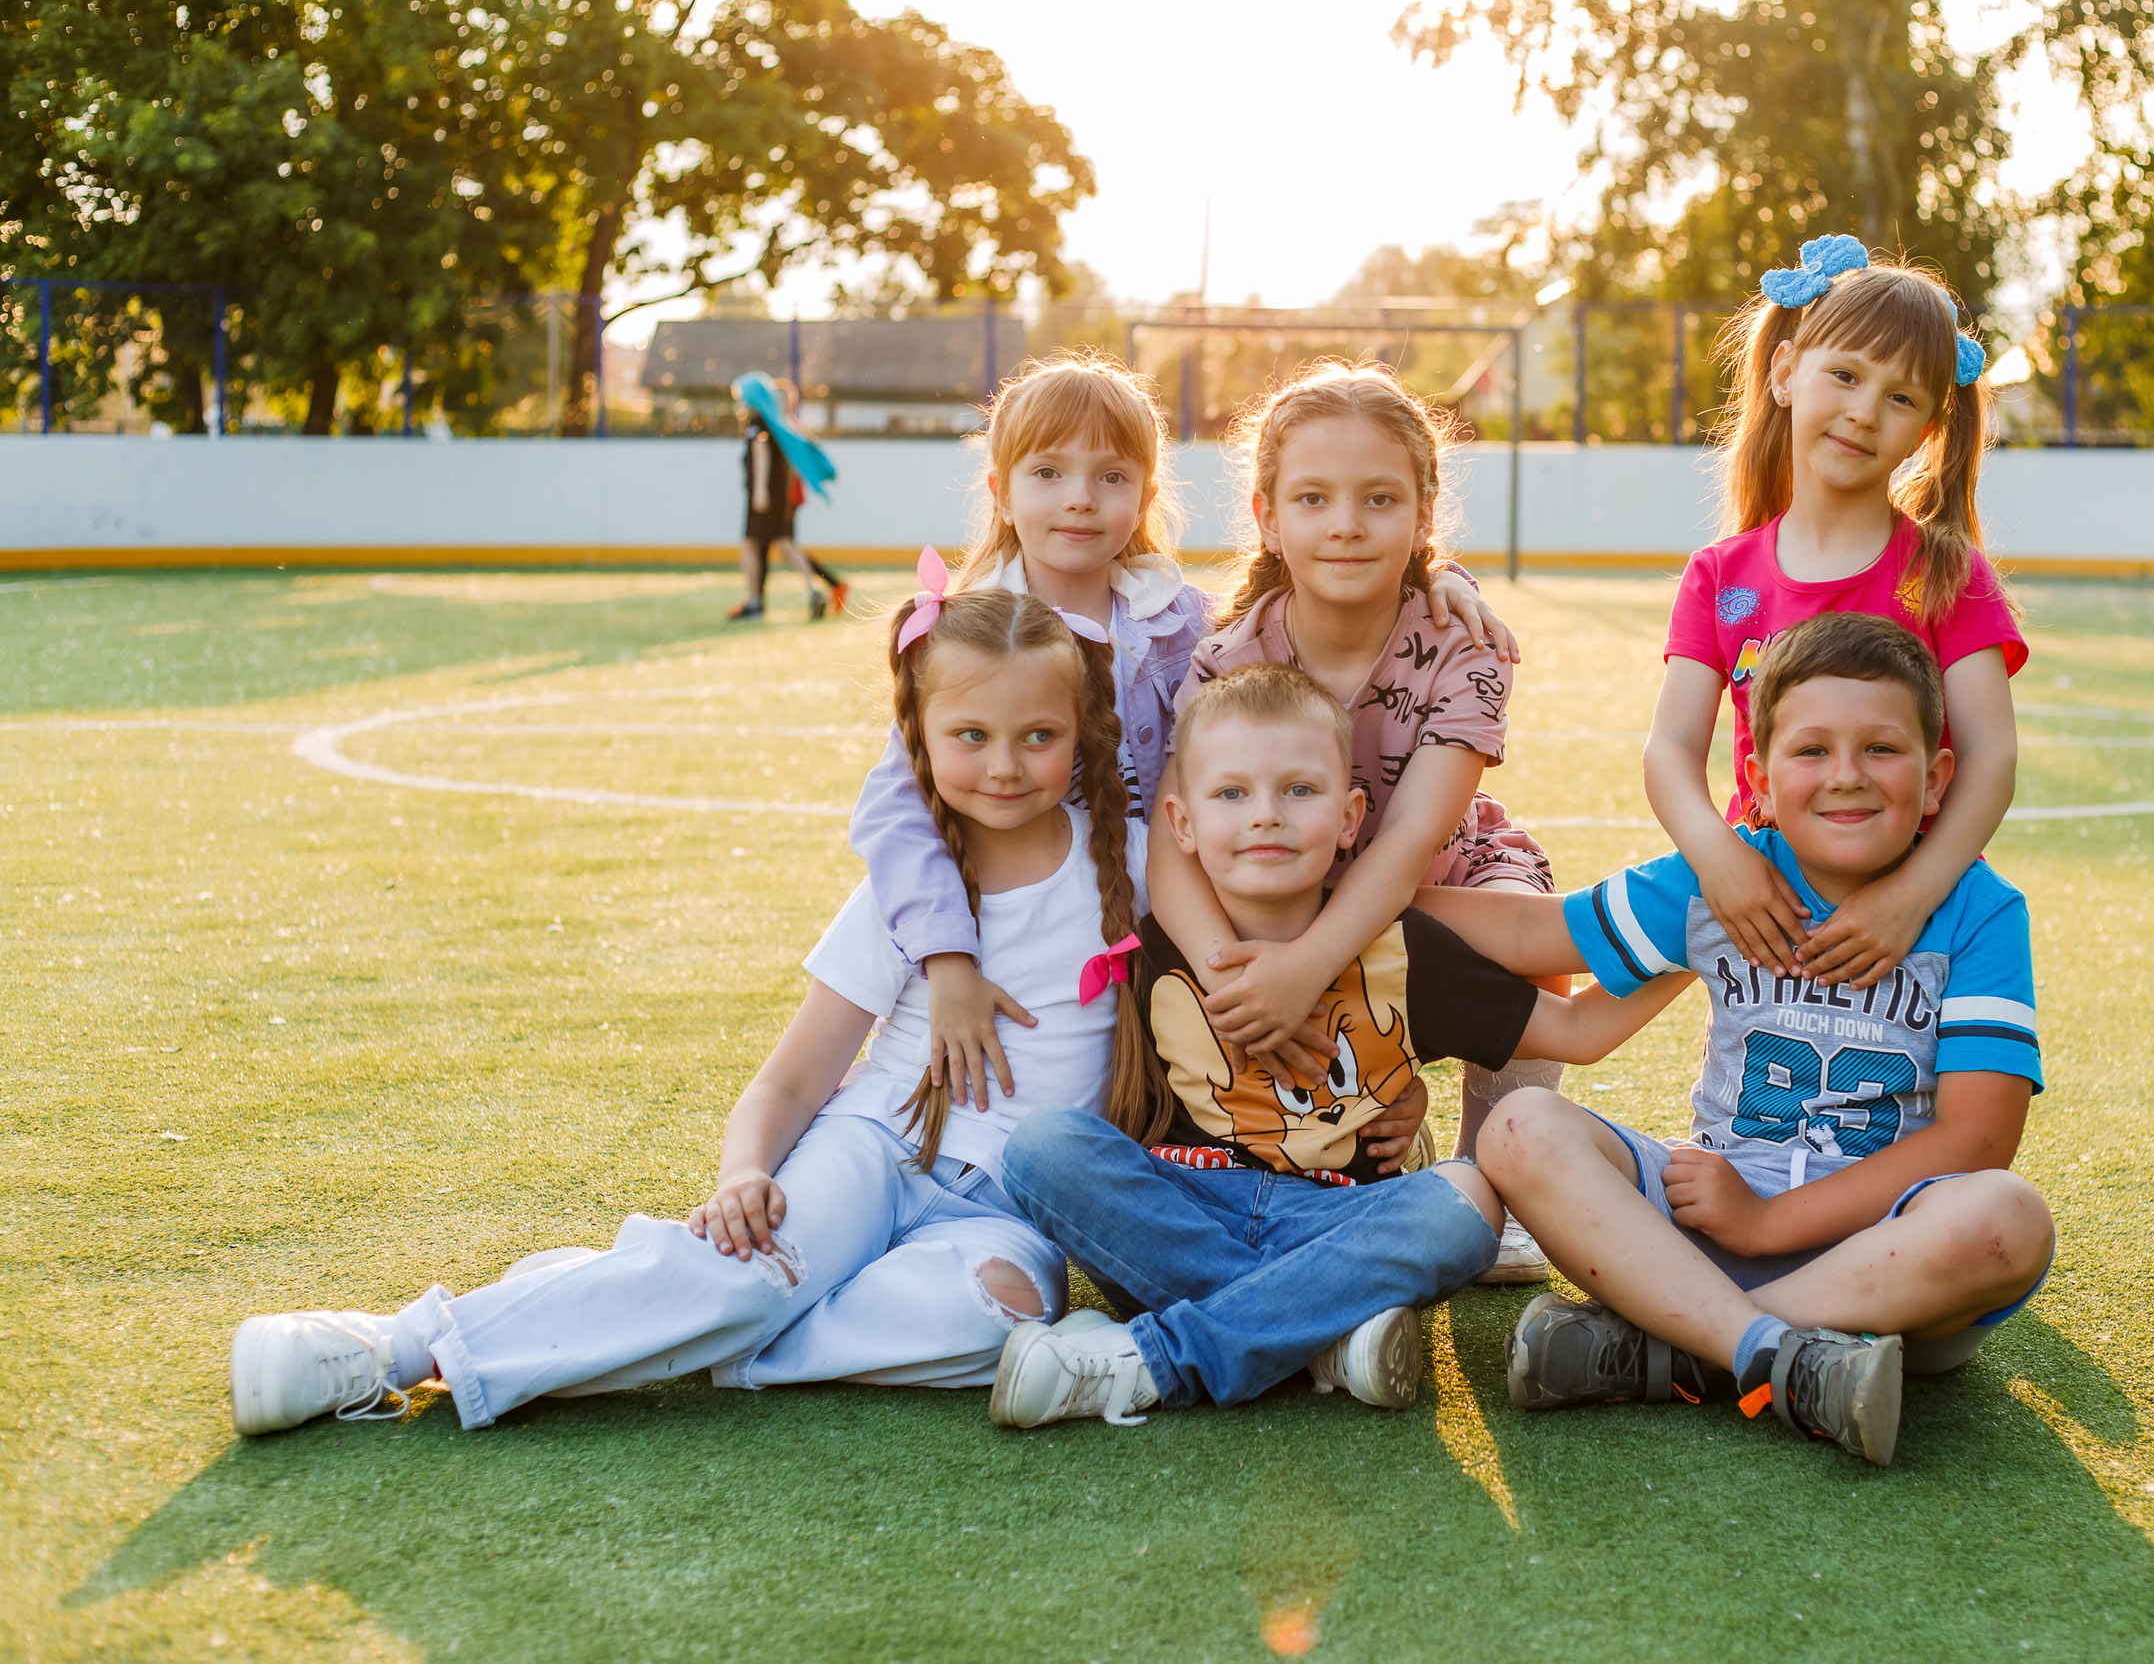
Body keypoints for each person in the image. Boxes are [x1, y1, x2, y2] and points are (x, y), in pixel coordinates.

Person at [227, 589, 1143, 1435]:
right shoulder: (911, 893)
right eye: (971, 735)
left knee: (1000, 1322)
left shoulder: (1128, 862)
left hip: (1009, 1212)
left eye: (1038, 736)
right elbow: (792, 1078)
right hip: (879, 1151)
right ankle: (395, 1346)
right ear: (922, 740)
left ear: (1082, 735)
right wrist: (744, 1173)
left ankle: (651, 1304)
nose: (1006, 765)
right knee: (755, 1274)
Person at [981, 664, 1694, 1429]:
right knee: (1042, 1148)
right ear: (1182, 825)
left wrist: (1701, 936)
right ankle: (1320, 1330)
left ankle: (1158, 1357)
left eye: (1299, 790)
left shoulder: (1404, 948)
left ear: (1352, 817)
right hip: (1186, 1211)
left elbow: (1578, 1032)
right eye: (1231, 794)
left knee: (1466, 1205)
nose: (1266, 817)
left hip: (1342, 1218)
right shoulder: (1160, 940)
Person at [1420, 614, 2054, 1468]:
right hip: (1701, 1228)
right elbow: (1537, 937)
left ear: (1938, 778)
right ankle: (1777, 1357)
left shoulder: (1978, 910)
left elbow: (1977, 1137)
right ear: (1755, 775)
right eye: (1812, 751)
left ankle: (1677, 1350)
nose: (1846, 778)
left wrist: (1770, 1223)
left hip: (1888, 1269)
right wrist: (1349, 892)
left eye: (1881, 750)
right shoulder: (1721, 880)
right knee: (1520, 1127)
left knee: (2008, 1218)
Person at [847, 353, 1514, 1126]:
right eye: (1049, 473)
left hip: (1219, 888)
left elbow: (1336, 570)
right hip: (1085, 900)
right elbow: (903, 808)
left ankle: (1413, 1130)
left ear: (1145, 495)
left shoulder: (1183, 626)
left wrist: (1443, 576)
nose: (1080, 501)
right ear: (1000, 490)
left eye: (1111, 477)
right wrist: (947, 957)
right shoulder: (968, 640)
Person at [1146, 360, 1560, 1286]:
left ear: (1422, 515)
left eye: (1378, 499)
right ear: (1266, 516)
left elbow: (1412, 837)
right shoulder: (1229, 657)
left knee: (1538, 939)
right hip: (1283, 887)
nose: (1344, 523)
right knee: (1167, 948)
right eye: (1314, 498)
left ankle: (1500, 1181)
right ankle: (1332, 1143)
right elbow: (1168, 854)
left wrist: (1309, 967)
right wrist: (1239, 980)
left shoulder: (1467, 649)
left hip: (1430, 879)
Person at [1647, 236, 2024, 999]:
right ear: (1786, 373)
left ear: (1924, 432)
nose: (1862, 412)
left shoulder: (1948, 577)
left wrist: (1908, 896)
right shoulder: (1721, 578)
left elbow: (1991, 760)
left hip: (1913, 927)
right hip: (1765, 911)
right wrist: (1722, 861)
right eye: (1846, 375)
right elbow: (1669, 752)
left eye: (1900, 397)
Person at [730, 370, 848, 622]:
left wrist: (760, 491)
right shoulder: (777, 425)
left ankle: (755, 603)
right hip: (779, 496)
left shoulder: (758, 424)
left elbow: (761, 453)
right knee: (782, 544)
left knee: (755, 545)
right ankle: (811, 592)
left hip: (765, 496)